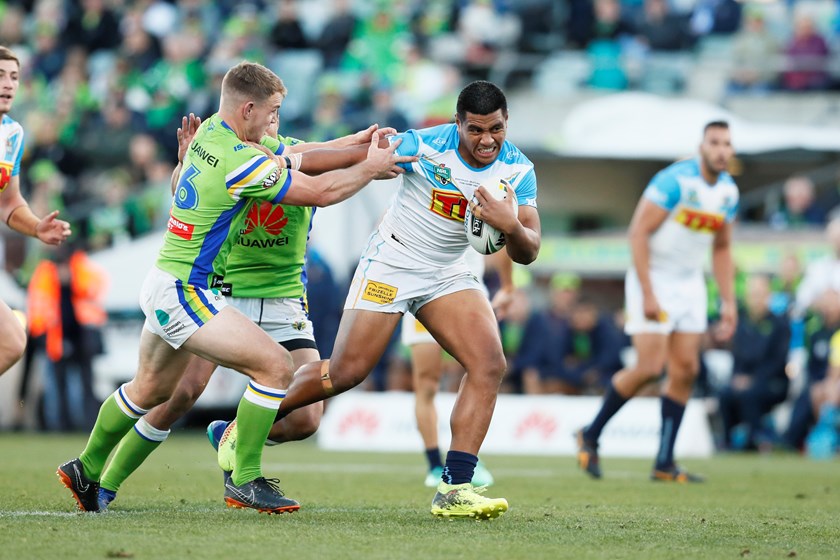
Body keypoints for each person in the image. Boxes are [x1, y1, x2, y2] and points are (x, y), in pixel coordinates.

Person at [57, 60, 413, 514]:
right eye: (271, 111)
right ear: (248, 109)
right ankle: (244, 480)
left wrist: (362, 146)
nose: (274, 120)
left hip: (188, 284)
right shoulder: (241, 161)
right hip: (196, 291)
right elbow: (322, 191)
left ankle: (86, 470)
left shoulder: (211, 132)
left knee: (149, 388)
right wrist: (369, 168)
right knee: (271, 369)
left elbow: (310, 153)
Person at [217, 80, 541, 520]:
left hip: (449, 273)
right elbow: (354, 155)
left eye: (497, 129)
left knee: (489, 364)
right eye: (476, 130)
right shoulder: (423, 145)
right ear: (458, 124)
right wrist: (286, 160)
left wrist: (512, 226)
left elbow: (529, 250)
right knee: (346, 372)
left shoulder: (519, 171)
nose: (487, 140)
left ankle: (455, 488)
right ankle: (243, 425)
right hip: (393, 260)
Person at [576, 120, 739, 482]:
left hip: (690, 283)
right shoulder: (675, 181)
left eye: (727, 144)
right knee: (650, 367)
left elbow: (723, 247)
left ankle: (664, 463)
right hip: (654, 278)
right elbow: (638, 233)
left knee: (686, 370)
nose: (721, 150)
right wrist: (648, 292)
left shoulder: (728, 192)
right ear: (702, 146)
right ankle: (590, 433)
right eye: (715, 142)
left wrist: (729, 301)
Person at [405, 250, 512, 488]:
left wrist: (507, 286)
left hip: (470, 294)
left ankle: (466, 458)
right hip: (421, 292)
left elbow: (504, 238)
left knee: (482, 373)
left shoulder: (483, 210)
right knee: (427, 383)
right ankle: (434, 465)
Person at [1, 45, 72, 378]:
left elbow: (9, 202)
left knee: (12, 343)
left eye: (14, 76)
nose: (8, 83)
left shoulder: (12, 135)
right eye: (0, 75)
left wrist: (35, 227)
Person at [717, 274, 790, 451]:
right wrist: (737, 378)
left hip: (772, 382)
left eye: (759, 294)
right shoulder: (742, 324)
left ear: (768, 296)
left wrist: (754, 379)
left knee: (751, 394)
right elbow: (737, 357)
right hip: (744, 380)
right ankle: (726, 441)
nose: (755, 299)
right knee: (725, 393)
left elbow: (778, 362)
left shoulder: (779, 325)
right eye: (752, 294)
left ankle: (753, 439)